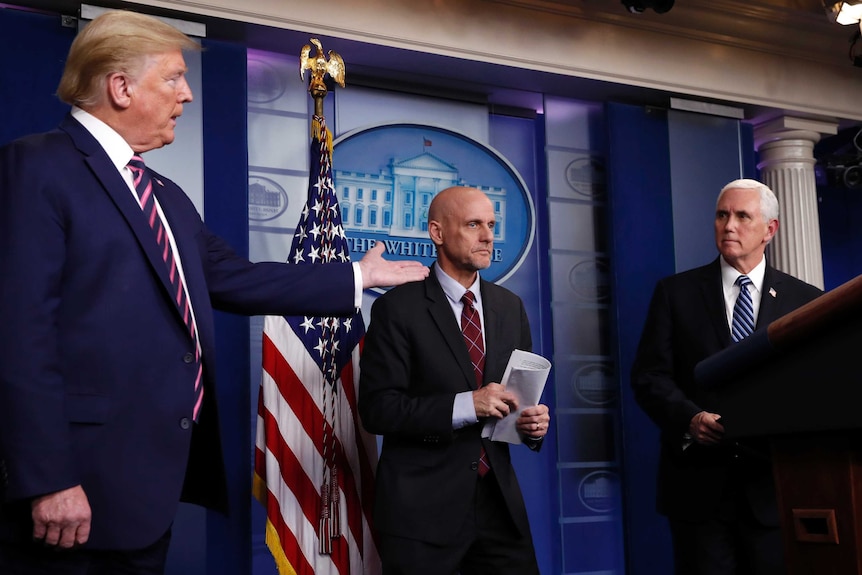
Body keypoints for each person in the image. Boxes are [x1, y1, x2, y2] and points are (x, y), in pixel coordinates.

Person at [0, 10, 428, 574]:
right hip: (71, 487)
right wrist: (48, 478)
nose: (187, 96)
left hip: (144, 488)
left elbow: (235, 279)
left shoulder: (165, 195)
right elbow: (18, 338)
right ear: (121, 87)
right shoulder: (36, 167)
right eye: (173, 79)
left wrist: (355, 277)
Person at [631, 178, 823, 575]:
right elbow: (650, 376)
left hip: (773, 488)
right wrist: (689, 418)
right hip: (697, 491)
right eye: (722, 215)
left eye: (742, 216)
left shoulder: (805, 300)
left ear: (770, 229)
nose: (729, 225)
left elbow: (812, 387)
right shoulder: (676, 292)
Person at [358, 185, 550, 575]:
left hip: (499, 507)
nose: (487, 236)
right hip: (421, 514)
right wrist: (468, 404)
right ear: (437, 233)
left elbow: (514, 405)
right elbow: (378, 410)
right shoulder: (397, 309)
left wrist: (530, 426)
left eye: (492, 225)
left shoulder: (509, 306)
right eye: (473, 224)